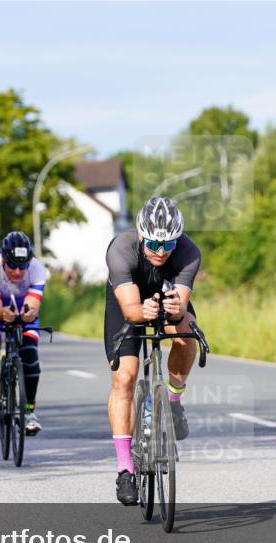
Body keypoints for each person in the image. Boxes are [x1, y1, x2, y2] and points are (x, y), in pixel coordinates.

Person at [105, 197, 201, 505]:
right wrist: (140, 310)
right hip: (128, 302)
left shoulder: (188, 252)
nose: (160, 252)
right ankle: (124, 469)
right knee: (125, 378)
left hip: (165, 296)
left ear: (178, 239)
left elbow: (180, 307)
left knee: (187, 334)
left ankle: (172, 400)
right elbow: (131, 310)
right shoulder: (121, 249)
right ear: (141, 234)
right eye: (153, 245)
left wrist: (174, 310)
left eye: (167, 245)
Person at [0, 232, 47, 435]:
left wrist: (26, 315)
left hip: (22, 304)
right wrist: (2, 314)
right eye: (12, 266)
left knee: (30, 356)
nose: (17, 271)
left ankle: (29, 411)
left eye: (22, 266)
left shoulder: (37, 269)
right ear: (3, 260)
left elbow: (32, 306)